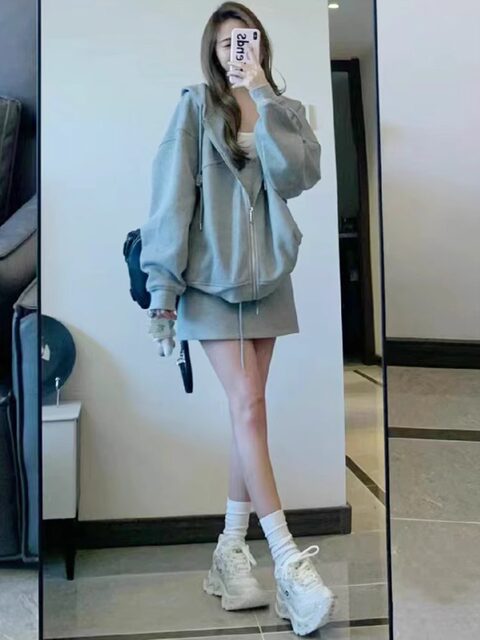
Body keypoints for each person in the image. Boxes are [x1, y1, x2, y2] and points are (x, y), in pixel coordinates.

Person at [139, 2, 335, 635]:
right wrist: (162, 289)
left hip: (268, 277)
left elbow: (298, 178)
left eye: (243, 40)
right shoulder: (195, 106)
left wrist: (266, 95)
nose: (234, 51)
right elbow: (171, 195)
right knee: (248, 407)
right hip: (208, 279)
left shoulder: (284, 108)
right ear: (212, 51)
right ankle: (288, 563)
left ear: (260, 44)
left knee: (246, 412)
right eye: (224, 44)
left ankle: (229, 550)